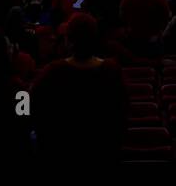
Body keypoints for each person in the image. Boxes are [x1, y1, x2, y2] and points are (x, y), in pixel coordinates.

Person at [31, 13, 126, 163]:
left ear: (69, 40)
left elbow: (32, 105)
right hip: (102, 151)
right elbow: (122, 113)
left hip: (60, 151)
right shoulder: (112, 71)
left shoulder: (53, 71)